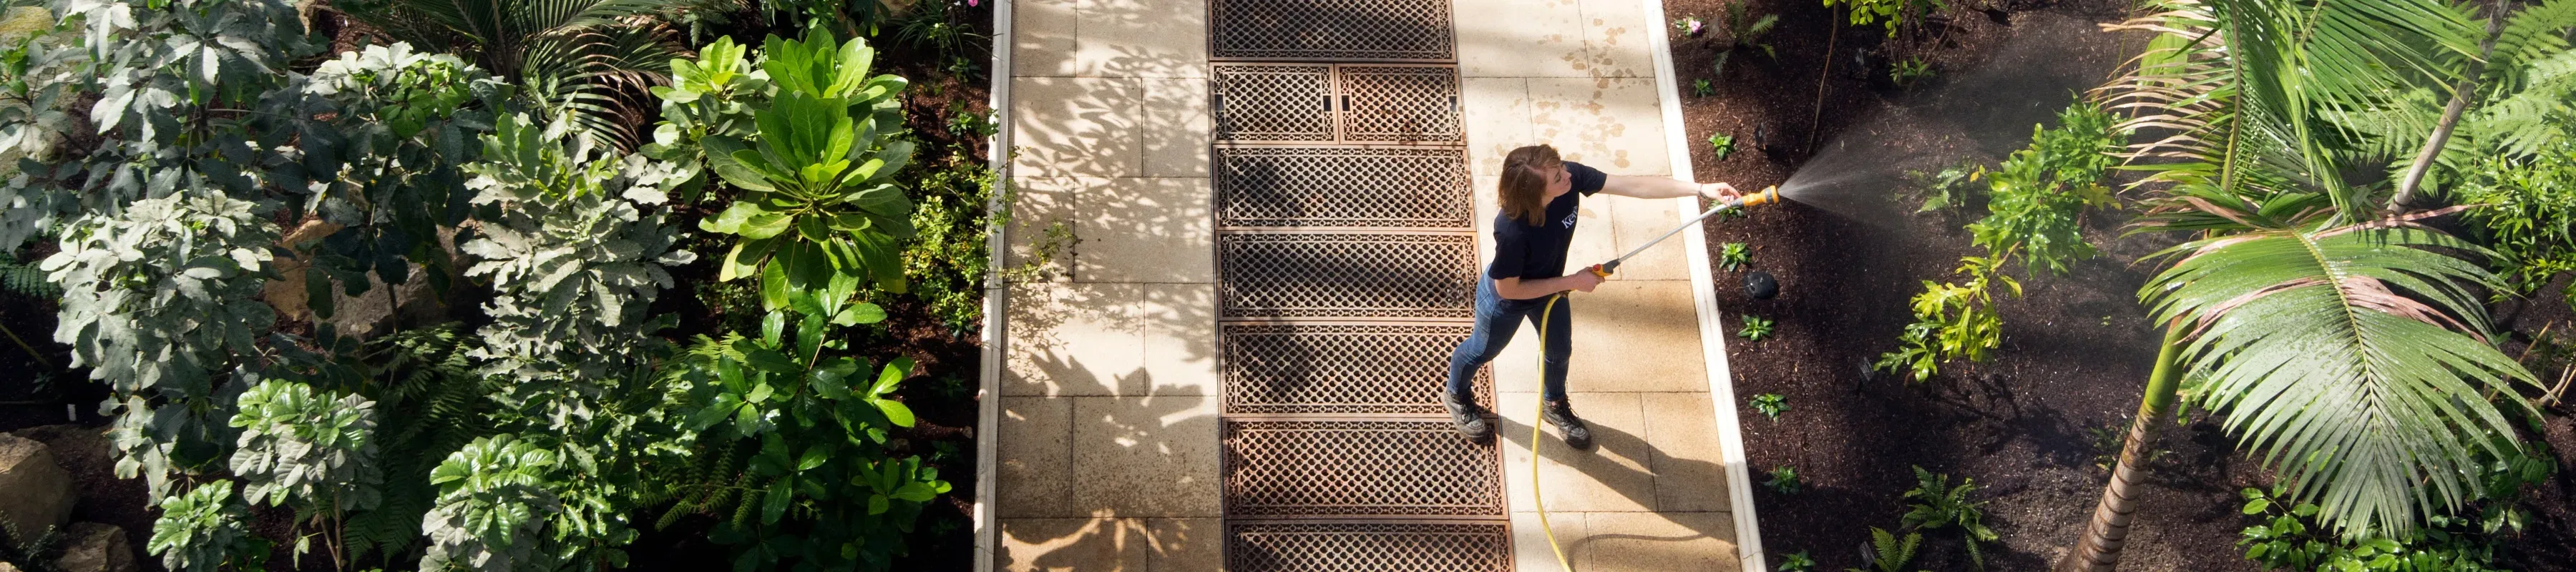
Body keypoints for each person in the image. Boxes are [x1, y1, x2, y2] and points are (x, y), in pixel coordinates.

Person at [1443, 144, 1741, 448]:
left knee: (1559, 352)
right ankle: (1456, 394)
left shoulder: (1570, 176)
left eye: (1561, 168)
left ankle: (1553, 404)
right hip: (1507, 300)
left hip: (1552, 287)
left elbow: (1635, 185)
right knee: (1482, 350)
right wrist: (1573, 280)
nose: (1567, 175)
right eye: (1557, 177)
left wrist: (1702, 189)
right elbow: (1508, 288)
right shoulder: (1512, 229)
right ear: (1536, 194)